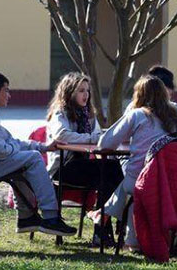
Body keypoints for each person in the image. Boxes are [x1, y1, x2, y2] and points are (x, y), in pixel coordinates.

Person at [0, 70, 76, 237]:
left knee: (26, 160)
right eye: (6, 90)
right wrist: (17, 149)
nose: (9, 95)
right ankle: (50, 217)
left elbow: (11, 141)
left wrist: (43, 147)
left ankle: (26, 218)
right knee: (33, 159)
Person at [98, 75, 177, 251]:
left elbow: (105, 144)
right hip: (169, 180)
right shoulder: (175, 115)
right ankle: (128, 236)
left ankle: (106, 215)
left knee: (132, 180)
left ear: (139, 95)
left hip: (141, 180)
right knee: (135, 188)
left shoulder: (137, 115)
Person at [46, 72, 124, 246]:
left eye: (87, 91)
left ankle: (101, 229)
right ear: (69, 92)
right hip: (62, 169)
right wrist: (90, 138)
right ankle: (110, 225)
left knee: (110, 172)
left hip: (82, 165)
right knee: (111, 171)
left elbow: (97, 135)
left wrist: (93, 138)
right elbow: (62, 135)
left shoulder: (88, 114)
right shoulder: (60, 113)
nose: (86, 95)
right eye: (81, 90)